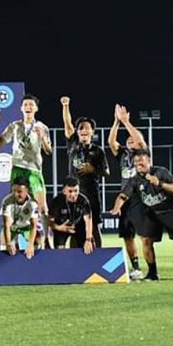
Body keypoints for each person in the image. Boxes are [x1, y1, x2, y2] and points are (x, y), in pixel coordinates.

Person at [111, 149, 173, 281]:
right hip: (153, 212)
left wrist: (160, 183)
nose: (138, 166)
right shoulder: (135, 179)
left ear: (149, 161)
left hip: (171, 210)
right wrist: (117, 207)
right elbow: (123, 195)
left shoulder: (160, 172)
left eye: (141, 162)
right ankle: (152, 273)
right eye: (136, 163)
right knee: (146, 240)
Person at [0, 94, 52, 246]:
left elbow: (49, 150)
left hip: (34, 170)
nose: (28, 107)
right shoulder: (14, 126)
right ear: (21, 108)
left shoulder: (42, 127)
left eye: (31, 105)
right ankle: (14, 238)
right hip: (18, 169)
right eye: (25, 104)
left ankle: (46, 239)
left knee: (42, 207)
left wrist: (43, 138)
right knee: (16, 204)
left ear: (36, 108)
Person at [61, 96, 109, 247]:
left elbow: (106, 172)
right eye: (80, 128)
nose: (83, 130)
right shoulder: (73, 145)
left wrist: (93, 169)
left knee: (93, 227)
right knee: (74, 227)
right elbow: (67, 124)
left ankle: (99, 257)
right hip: (73, 193)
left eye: (86, 127)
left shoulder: (98, 151)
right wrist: (66, 105)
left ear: (92, 131)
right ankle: (76, 262)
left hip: (91, 193)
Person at [108, 103, 147, 280]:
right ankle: (137, 268)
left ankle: (152, 268)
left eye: (133, 140)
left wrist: (126, 122)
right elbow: (111, 142)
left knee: (146, 235)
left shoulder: (143, 153)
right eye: (128, 140)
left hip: (143, 198)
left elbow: (138, 138)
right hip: (126, 200)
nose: (131, 141)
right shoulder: (123, 154)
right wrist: (117, 122)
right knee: (127, 235)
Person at [48, 176, 94, 254]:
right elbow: (49, 221)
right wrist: (59, 228)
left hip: (78, 225)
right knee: (60, 252)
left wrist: (88, 239)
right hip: (61, 226)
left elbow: (88, 221)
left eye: (76, 191)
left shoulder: (83, 201)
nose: (73, 194)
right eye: (70, 191)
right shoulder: (57, 202)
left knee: (89, 246)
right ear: (64, 191)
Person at [0, 177, 40, 259]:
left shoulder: (33, 204)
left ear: (26, 191)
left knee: (38, 240)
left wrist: (30, 245)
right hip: (12, 227)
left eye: (19, 192)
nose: (16, 194)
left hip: (26, 227)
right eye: (14, 191)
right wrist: (8, 244)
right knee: (4, 241)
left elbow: (34, 225)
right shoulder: (6, 201)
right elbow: (6, 225)